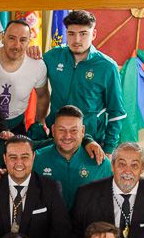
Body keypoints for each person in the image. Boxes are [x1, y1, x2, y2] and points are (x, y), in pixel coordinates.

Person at [43, 10, 124, 153]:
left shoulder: (107, 66)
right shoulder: (52, 57)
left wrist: (109, 149)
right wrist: (31, 51)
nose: (77, 40)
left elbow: (117, 112)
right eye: (71, 33)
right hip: (55, 139)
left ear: (93, 34)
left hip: (91, 143)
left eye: (83, 34)